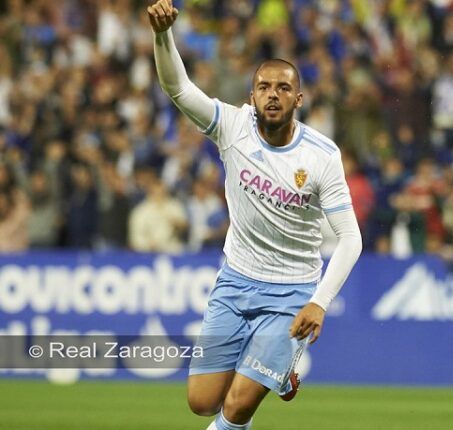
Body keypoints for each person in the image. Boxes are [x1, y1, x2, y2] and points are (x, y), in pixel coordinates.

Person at [147, 2, 363, 430]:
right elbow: (179, 88)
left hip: (291, 293)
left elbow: (351, 238)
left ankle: (270, 366)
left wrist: (319, 302)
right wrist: (162, 35)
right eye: (263, 86)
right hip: (235, 282)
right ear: (252, 96)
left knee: (238, 407)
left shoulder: (321, 156)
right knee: (202, 402)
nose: (272, 94)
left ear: (298, 98)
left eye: (283, 88)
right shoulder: (232, 126)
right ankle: (276, 369)